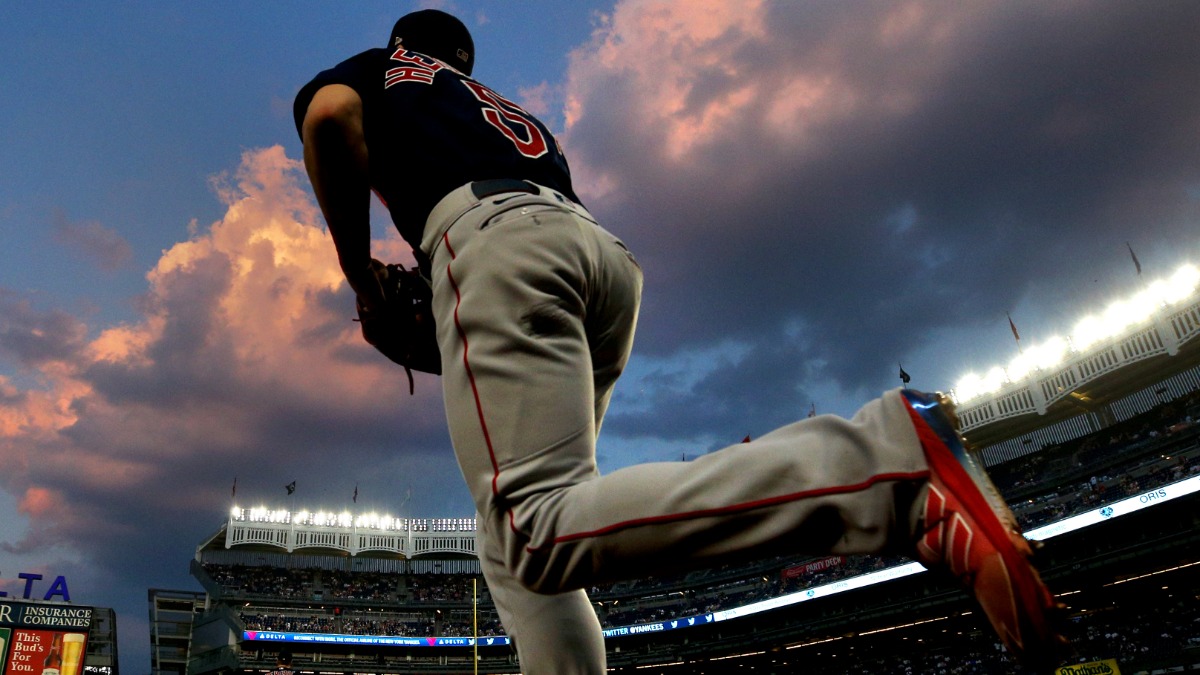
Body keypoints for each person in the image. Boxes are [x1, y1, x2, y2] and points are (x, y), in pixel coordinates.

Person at [294, 9, 1067, 673]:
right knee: (516, 544)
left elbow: (330, 120)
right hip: (596, 259)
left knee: (534, 528)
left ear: (403, 45)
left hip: (491, 242)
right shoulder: (498, 109)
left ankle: (880, 467)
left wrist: (361, 273)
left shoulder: (383, 69)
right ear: (467, 61)